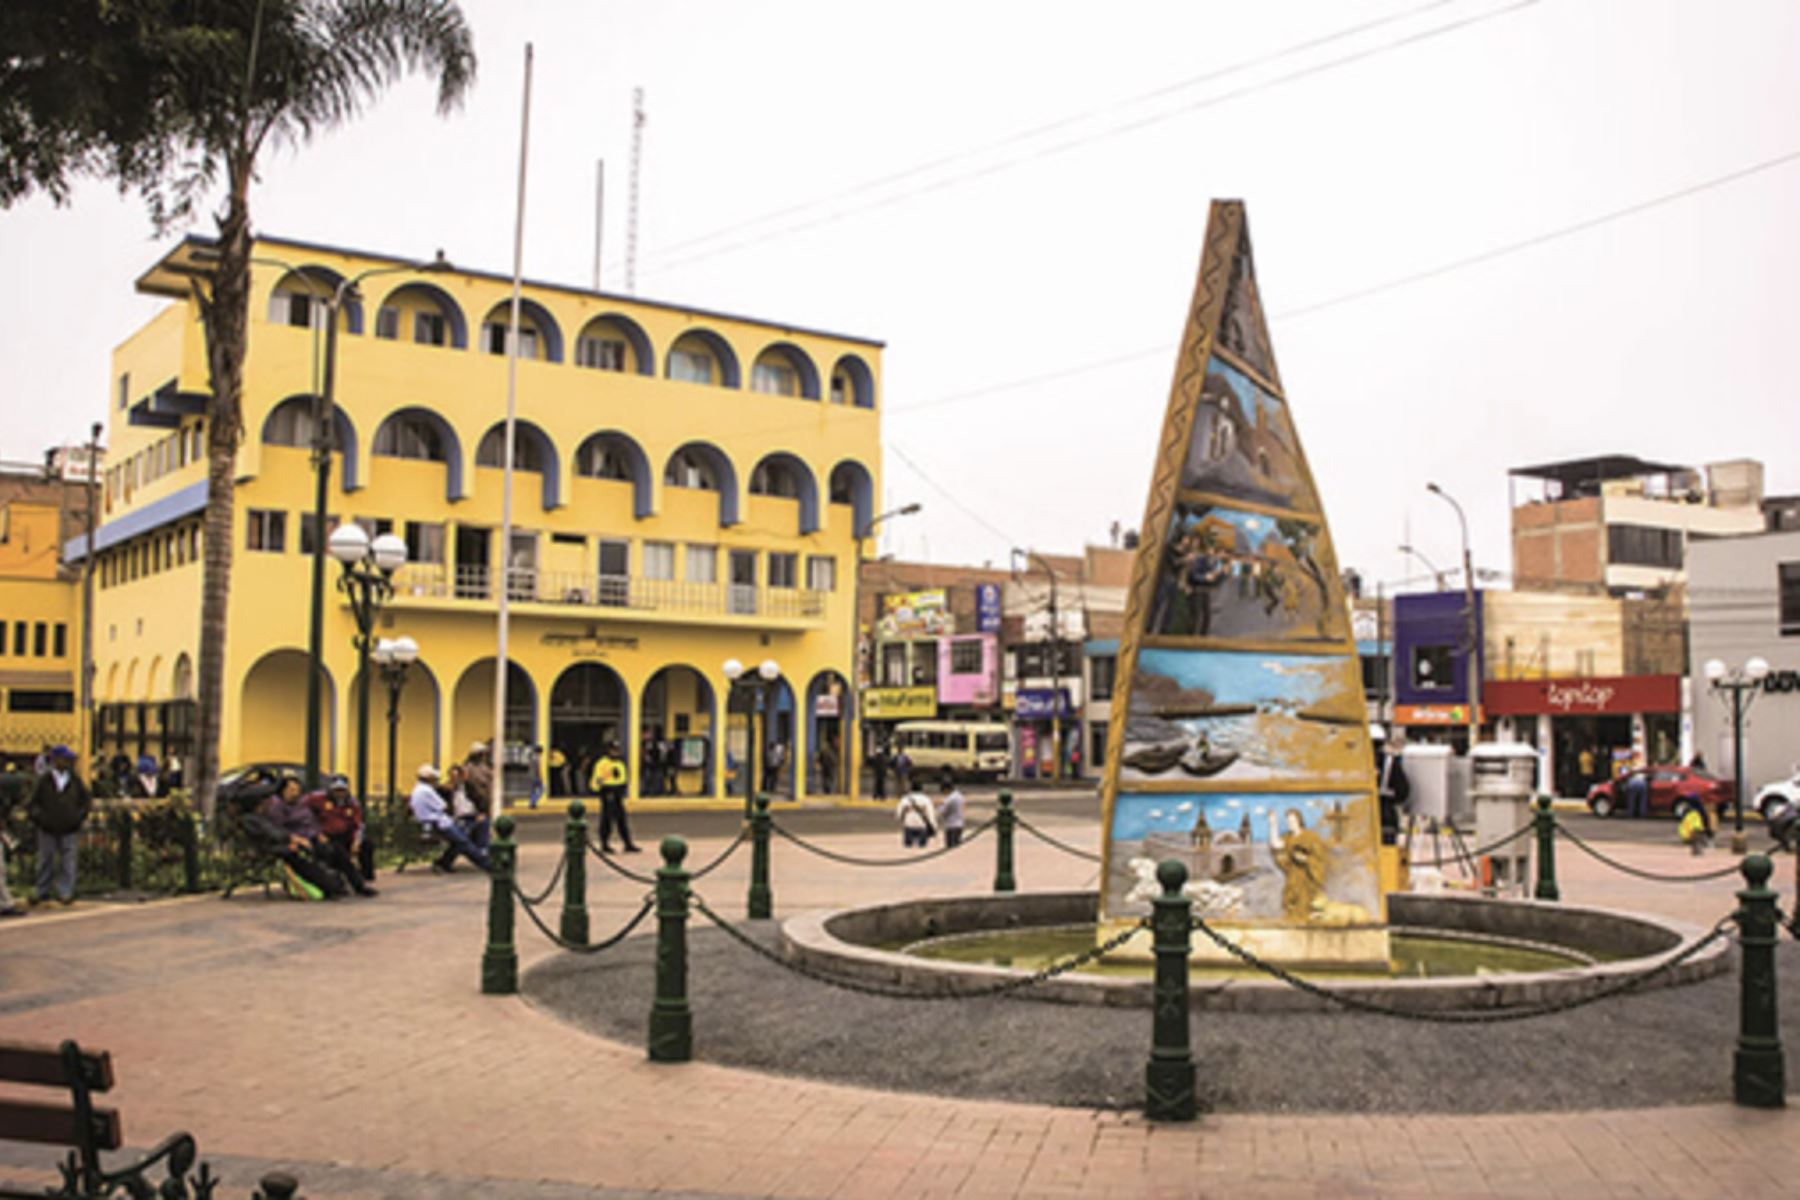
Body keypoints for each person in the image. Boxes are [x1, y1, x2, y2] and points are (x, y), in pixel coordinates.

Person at [265, 776, 375, 897]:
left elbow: (313, 822)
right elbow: (277, 829)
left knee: (339, 852)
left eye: (297, 790)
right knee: (329, 852)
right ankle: (333, 885)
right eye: (291, 790)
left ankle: (358, 885)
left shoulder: (302, 803)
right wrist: (294, 839)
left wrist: (319, 834)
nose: (295, 793)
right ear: (282, 791)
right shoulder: (278, 807)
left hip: (316, 837)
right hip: (298, 841)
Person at [244, 777, 350, 899]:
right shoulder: (256, 818)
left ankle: (336, 884)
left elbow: (280, 831)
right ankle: (330, 886)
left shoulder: (263, 816)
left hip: (296, 841)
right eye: (291, 790)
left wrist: (314, 834)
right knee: (305, 857)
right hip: (283, 846)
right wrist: (291, 841)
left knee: (330, 849)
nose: (268, 803)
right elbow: (273, 833)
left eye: (297, 790)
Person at [27, 746, 90, 906]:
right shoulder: (44, 780)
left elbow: (85, 801)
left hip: (69, 827)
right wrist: (40, 819)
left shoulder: (75, 780)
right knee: (45, 860)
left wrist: (78, 818)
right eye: (65, 759)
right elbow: (32, 803)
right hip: (47, 827)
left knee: (68, 862)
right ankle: (42, 890)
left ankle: (65, 892)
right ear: (56, 760)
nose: (68, 762)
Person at [409, 765, 491, 872]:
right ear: (428, 778)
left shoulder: (468, 787)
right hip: (445, 822)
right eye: (452, 776)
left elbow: (481, 800)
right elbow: (443, 805)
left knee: (477, 828)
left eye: (456, 776)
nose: (436, 779)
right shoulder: (430, 790)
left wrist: (482, 813)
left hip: (466, 817)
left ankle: (480, 852)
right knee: (463, 841)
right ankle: (487, 863)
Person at [305, 775, 375, 887]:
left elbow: (359, 825)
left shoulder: (352, 803)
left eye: (342, 790)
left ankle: (366, 875)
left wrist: (357, 841)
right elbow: (304, 813)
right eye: (336, 790)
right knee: (337, 850)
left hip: (347, 836)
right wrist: (317, 832)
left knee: (367, 844)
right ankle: (350, 879)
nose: (339, 793)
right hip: (327, 837)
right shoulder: (317, 799)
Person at [1269, 808, 1328, 921]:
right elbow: (1276, 845)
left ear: (1299, 821)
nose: (1290, 824)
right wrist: (1273, 824)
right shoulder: (1288, 838)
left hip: (1307, 880)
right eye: (1288, 821)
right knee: (1290, 906)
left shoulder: (1311, 837)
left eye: (1292, 821)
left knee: (1306, 908)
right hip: (1292, 880)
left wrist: (1306, 859)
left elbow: (1320, 859)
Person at [590, 741, 639, 853]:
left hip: (618, 792)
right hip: (608, 791)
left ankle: (627, 843)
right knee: (607, 819)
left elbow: (623, 776)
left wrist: (623, 787)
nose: (615, 752)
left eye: (617, 750)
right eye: (613, 750)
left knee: (621, 819)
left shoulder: (620, 762)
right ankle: (604, 844)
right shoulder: (602, 763)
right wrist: (600, 790)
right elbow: (597, 779)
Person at [1372, 726, 1410, 845]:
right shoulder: (1391, 762)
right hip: (1386, 816)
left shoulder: (1353, 763)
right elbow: (1403, 792)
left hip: (1361, 817)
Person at [463, 741, 494, 813]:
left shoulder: (484, 766)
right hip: (478, 804)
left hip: (488, 801)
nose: (484, 756)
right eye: (482, 754)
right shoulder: (469, 767)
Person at [937, 779, 967, 848]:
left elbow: (942, 811)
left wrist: (938, 806)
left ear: (946, 789)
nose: (943, 793)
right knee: (957, 847)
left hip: (951, 825)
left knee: (950, 848)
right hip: (959, 824)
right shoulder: (960, 796)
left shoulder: (949, 799)